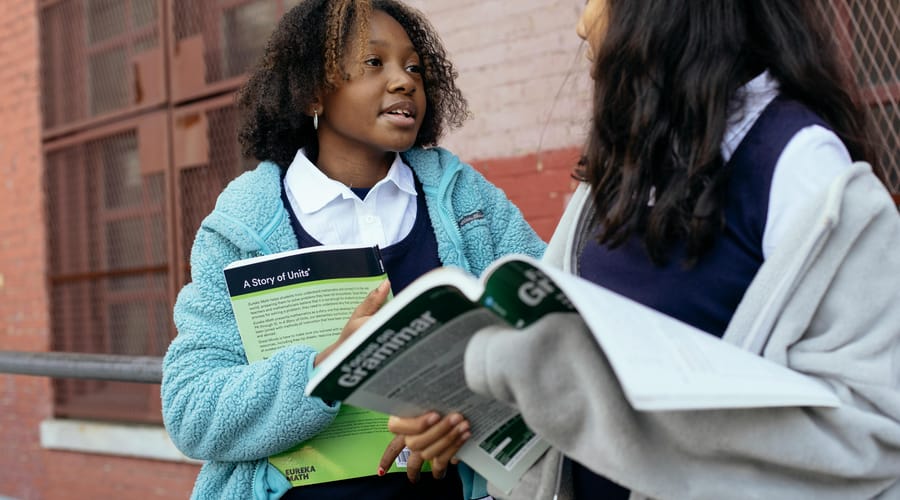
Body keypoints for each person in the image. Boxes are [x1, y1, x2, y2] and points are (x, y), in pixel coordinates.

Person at [389, 0, 900, 498]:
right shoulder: (621, 168)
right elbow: (546, 378)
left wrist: (557, 378)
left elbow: (873, 440)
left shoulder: (802, 166)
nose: (583, 24)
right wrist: (463, 410)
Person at [160, 1, 545, 499]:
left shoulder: (470, 204)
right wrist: (325, 370)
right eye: (374, 63)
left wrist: (466, 416)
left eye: (414, 68)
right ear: (314, 91)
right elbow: (192, 410)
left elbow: (552, 342)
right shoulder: (240, 229)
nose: (404, 81)